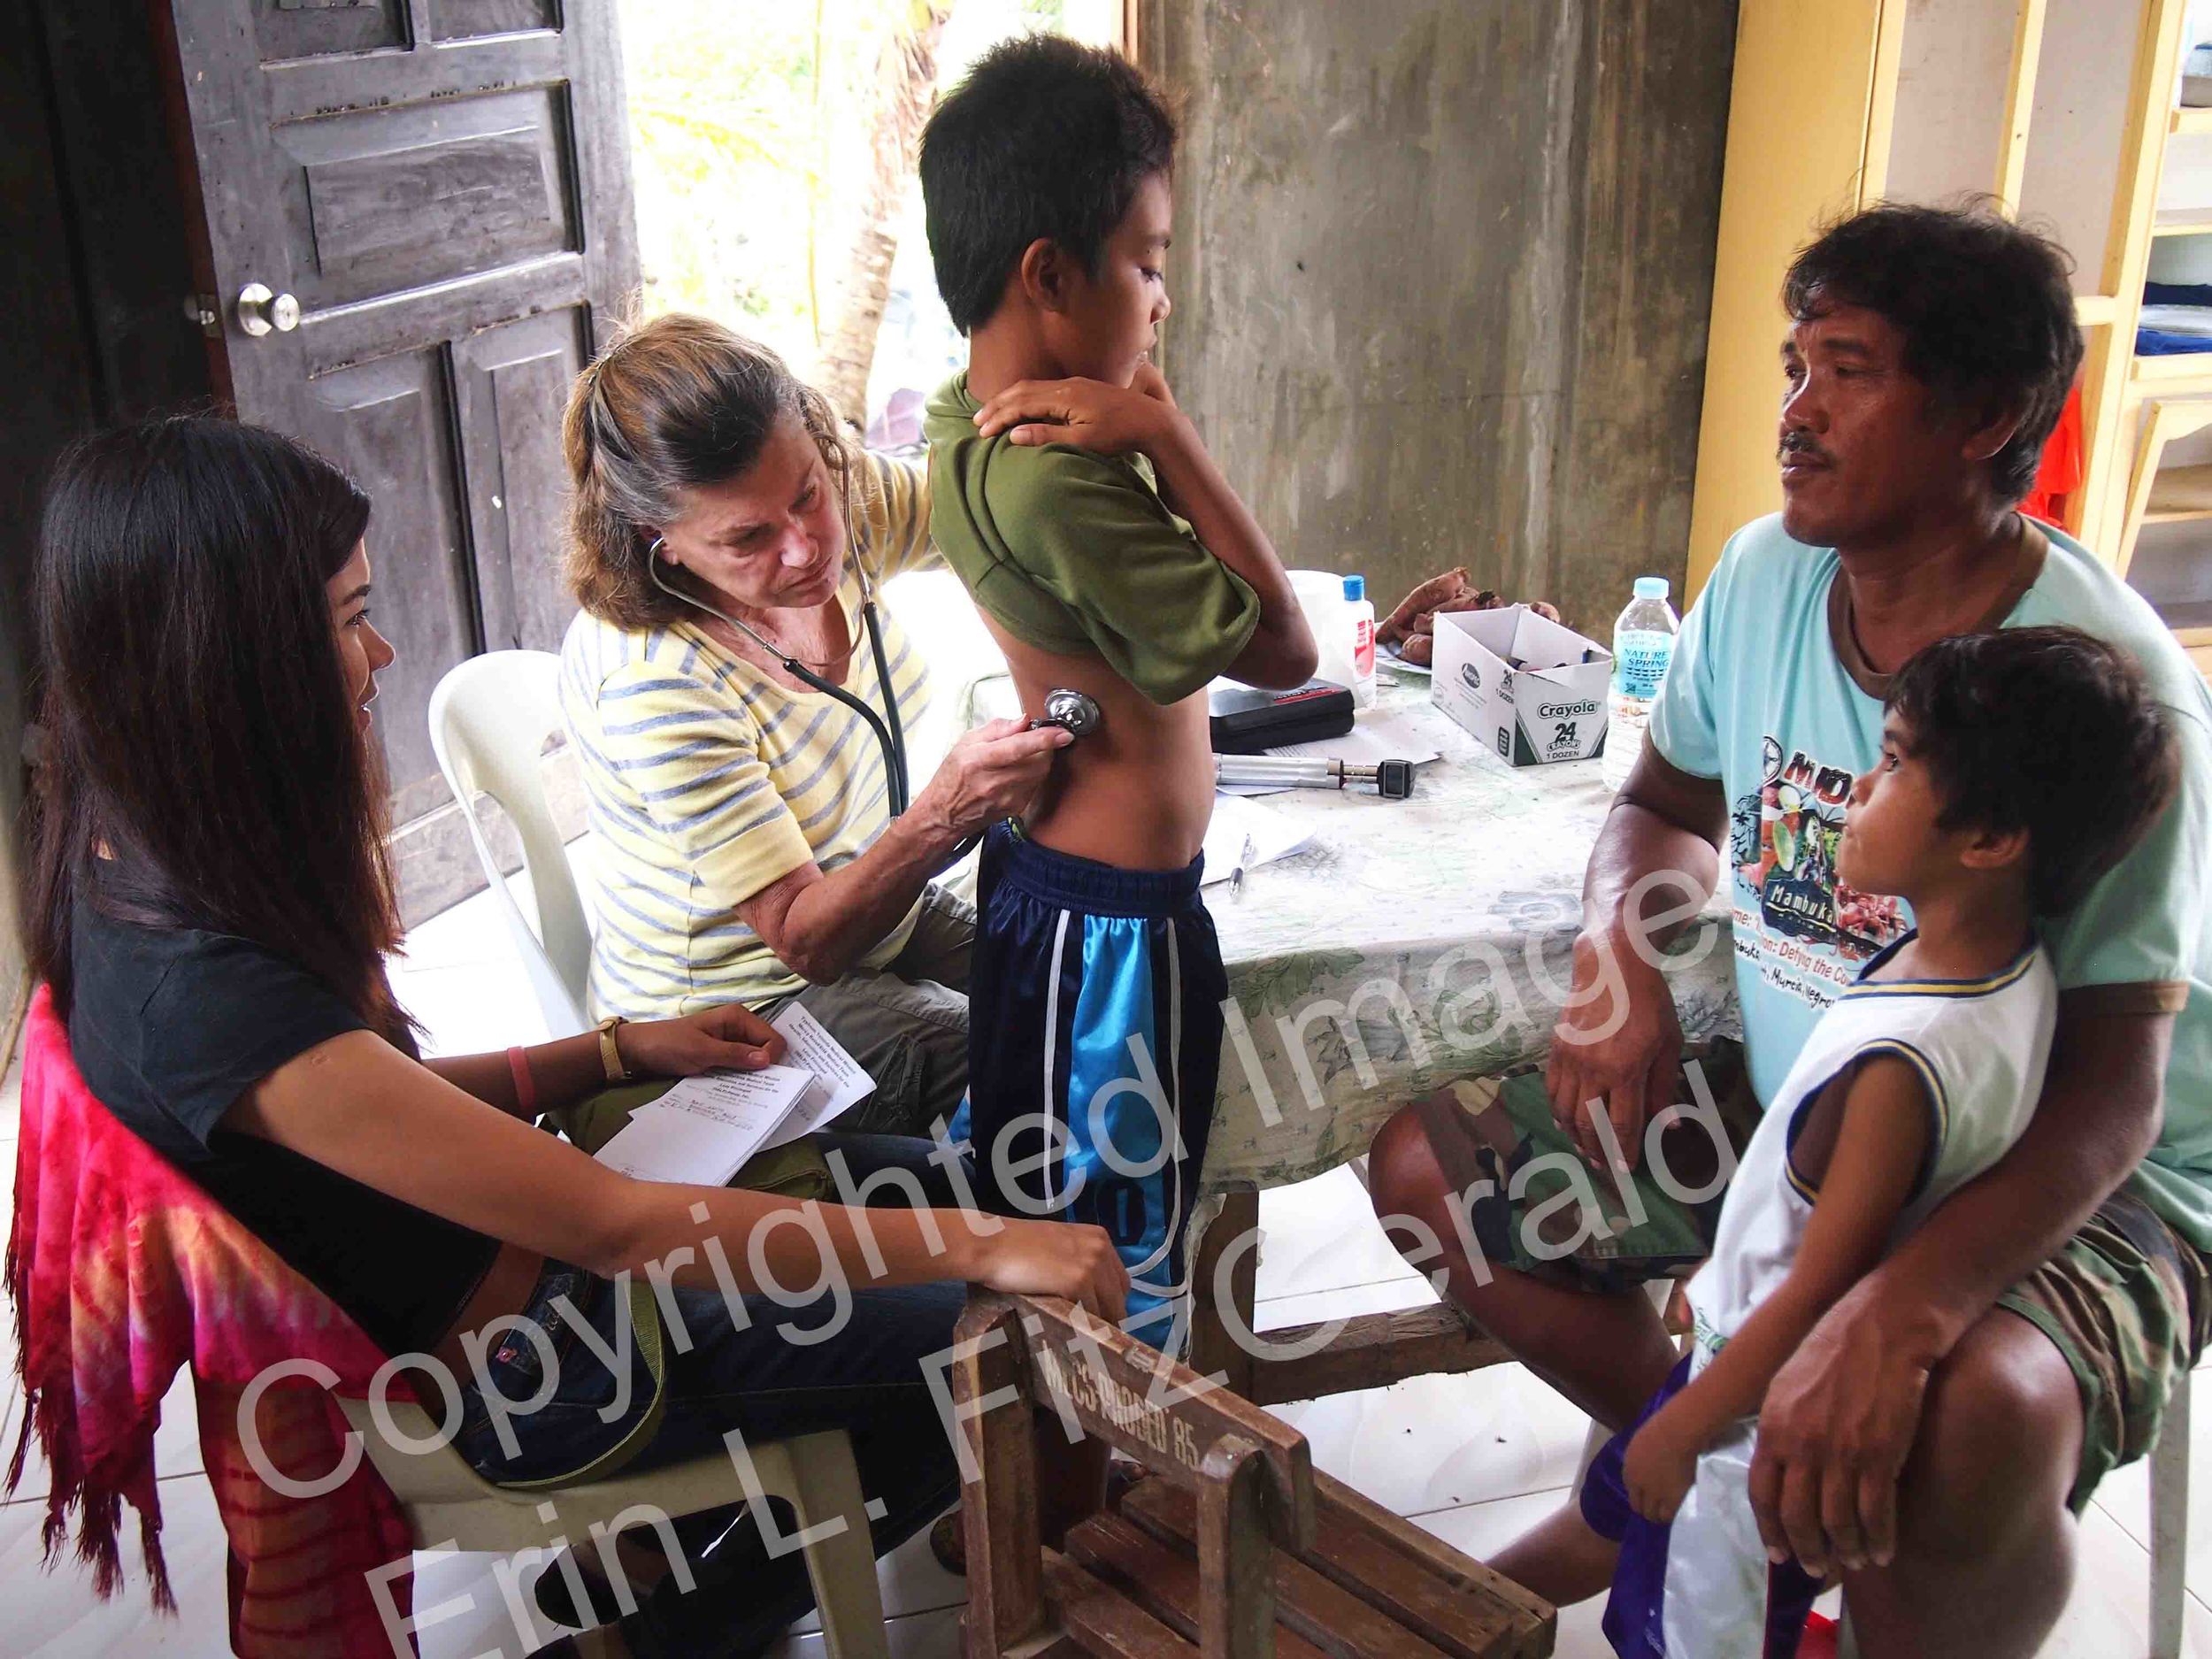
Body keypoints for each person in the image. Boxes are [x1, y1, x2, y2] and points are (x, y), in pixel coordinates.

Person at [27, 414, 1126, 1658]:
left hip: (533, 1280)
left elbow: (368, 1106)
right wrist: (991, 1248)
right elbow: (611, 1224)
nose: (378, 651)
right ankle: (689, 1627)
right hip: (543, 1366)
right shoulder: (202, 988)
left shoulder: (129, 863)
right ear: (220, 664)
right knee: (983, 1335)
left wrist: (611, 1053)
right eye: (346, 619)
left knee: (944, 1193)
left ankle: (675, 1560)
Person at [1367, 202, 2212, 1655]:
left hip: (2052, 1172)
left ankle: (1857, 1550)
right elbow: (1660, 799)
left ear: (1985, 418)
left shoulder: (2094, 695)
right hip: (1821, 1112)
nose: (1795, 416)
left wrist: (1909, 1312)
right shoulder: (1765, 577)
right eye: (1794, 366)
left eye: (1850, 371)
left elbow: (2119, 1094)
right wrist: (1619, 956)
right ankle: (1708, 1469)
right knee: (1432, 1173)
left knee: (1959, 1420)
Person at [1504, 627, 2177, 1658]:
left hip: (1742, 1433)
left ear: (1990, 839)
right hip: (1734, 1370)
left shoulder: (1898, 1069)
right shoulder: (2003, 976)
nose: (1857, 788)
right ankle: (1451, 1614)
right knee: (1609, 1516)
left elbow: (1821, 1285)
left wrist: (1691, 1425)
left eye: (1897, 762)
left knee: (1687, 1625)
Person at [915, 36, 1318, 1346]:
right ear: (1049, 274)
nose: (1161, 301)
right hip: (1115, 938)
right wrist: (1166, 431)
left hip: (1060, 896)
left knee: (1055, 1220)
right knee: (1110, 1251)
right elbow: (1286, 651)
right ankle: (1082, 1517)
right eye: (1147, 262)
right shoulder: (1068, 477)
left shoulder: (956, 423)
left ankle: (1057, 1504)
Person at [561, 313, 1072, 1138]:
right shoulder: (656, 677)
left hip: (873, 906)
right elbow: (806, 941)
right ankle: (1058, 1258)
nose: (805, 549)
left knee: (1083, 984)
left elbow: (980, 505)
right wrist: (945, 812)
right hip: (743, 1006)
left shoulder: (843, 498)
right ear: (662, 542)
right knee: (1043, 1062)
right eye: (748, 537)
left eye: (807, 493)